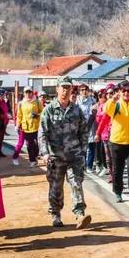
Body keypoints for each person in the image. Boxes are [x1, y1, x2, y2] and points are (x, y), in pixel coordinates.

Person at [39, 76, 93, 229]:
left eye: (68, 87)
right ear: (57, 89)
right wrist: (45, 153)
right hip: (56, 157)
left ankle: (80, 214)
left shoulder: (76, 110)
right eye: (63, 87)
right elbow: (42, 133)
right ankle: (56, 215)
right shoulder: (48, 110)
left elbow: (83, 131)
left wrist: (83, 151)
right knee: (56, 187)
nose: (65, 90)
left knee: (76, 183)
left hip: (74, 156)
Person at [102, 79, 129, 205]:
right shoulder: (116, 104)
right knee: (117, 170)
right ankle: (118, 192)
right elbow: (106, 110)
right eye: (123, 91)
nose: (126, 93)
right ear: (119, 92)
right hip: (117, 142)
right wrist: (112, 100)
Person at [12, 86, 42, 167]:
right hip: (24, 127)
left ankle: (34, 158)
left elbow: (42, 112)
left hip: (34, 126)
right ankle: (17, 158)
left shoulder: (37, 102)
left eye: (29, 92)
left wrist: (37, 115)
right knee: (23, 144)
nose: (28, 94)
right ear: (24, 93)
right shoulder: (21, 103)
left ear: (32, 92)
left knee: (35, 144)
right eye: (26, 92)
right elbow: (19, 115)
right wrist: (17, 125)